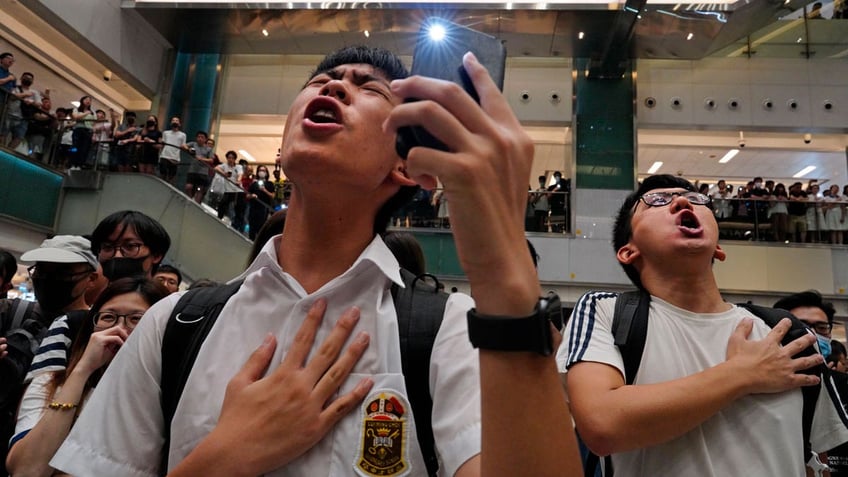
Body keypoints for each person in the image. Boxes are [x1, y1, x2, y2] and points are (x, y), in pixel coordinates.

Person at [51, 45, 580, 477]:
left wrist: (505, 275)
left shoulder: (449, 330)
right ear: (282, 147)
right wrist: (225, 458)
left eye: (368, 87)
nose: (334, 85)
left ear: (405, 166)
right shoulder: (175, 323)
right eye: (322, 79)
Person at [561, 174, 848, 477]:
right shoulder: (606, 311)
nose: (683, 201)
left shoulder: (786, 332)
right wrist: (741, 374)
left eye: (696, 199)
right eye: (657, 201)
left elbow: (816, 461)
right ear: (628, 251)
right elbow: (602, 425)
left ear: (718, 249)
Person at [6, 277, 168, 477]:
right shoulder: (50, 383)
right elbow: (26, 470)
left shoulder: (168, 396)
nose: (119, 328)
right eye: (108, 317)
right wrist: (82, 370)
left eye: (137, 319)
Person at [0, 236, 100, 477]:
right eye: (41, 271)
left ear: (91, 278)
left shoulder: (94, 331)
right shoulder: (9, 312)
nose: (48, 280)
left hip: (44, 454)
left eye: (63, 273)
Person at [183, 131, 214, 203]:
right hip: (192, 170)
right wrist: (189, 149)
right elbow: (183, 145)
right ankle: (190, 200)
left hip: (203, 172)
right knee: (188, 187)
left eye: (202, 137)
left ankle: (196, 204)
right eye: (198, 137)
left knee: (200, 189)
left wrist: (202, 159)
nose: (200, 139)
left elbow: (211, 160)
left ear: (205, 139)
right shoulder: (193, 144)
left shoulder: (208, 149)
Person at [246, 164, 275, 240]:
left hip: (264, 209)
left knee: (261, 228)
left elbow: (273, 196)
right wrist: (252, 196)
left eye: (263, 170)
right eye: (260, 170)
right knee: (252, 227)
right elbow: (247, 195)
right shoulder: (254, 184)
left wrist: (264, 190)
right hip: (253, 208)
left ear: (266, 173)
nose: (262, 172)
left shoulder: (270, 184)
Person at [70, 96, 96, 169]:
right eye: (86, 99)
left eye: (90, 100)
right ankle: (72, 164)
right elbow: (76, 117)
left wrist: (94, 134)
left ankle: (79, 165)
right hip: (78, 129)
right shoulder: (76, 109)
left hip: (88, 131)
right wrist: (86, 113)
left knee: (84, 148)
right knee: (75, 147)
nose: (88, 101)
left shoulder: (93, 112)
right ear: (82, 100)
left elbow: (94, 124)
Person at [159, 117, 187, 184]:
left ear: (179, 124)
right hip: (165, 156)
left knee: (172, 177)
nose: (175, 122)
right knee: (163, 174)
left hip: (175, 157)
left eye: (177, 120)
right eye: (173, 120)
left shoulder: (183, 135)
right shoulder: (165, 133)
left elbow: (183, 145)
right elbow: (162, 144)